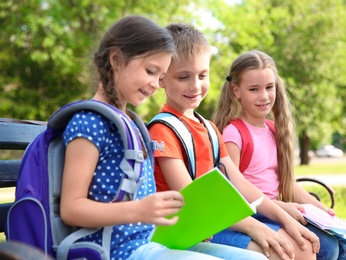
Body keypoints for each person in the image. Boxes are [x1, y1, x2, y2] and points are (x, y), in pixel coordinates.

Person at [60, 15, 268, 260]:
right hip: (113, 251)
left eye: (160, 77)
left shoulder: (132, 125)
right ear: (116, 59)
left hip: (152, 241)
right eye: (150, 71)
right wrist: (139, 210)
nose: (154, 84)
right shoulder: (90, 121)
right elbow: (71, 208)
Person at [148, 23, 320, 260]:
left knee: (302, 248)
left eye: (202, 75)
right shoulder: (162, 130)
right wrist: (254, 226)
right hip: (184, 234)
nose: (195, 86)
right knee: (285, 254)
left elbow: (240, 185)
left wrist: (284, 217)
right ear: (162, 79)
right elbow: (193, 200)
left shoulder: (208, 128)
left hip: (215, 223)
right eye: (183, 77)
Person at [211, 50, 346, 260]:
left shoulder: (271, 129)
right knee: (326, 247)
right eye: (254, 89)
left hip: (275, 211)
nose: (264, 96)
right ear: (236, 91)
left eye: (269, 87)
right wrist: (283, 208)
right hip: (254, 214)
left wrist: (321, 209)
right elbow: (233, 191)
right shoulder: (234, 133)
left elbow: (286, 183)